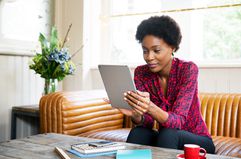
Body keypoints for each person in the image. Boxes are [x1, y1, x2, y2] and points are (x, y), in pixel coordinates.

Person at [120, 15, 215, 153]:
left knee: (169, 133)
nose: (149, 57)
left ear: (172, 47)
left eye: (156, 50)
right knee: (139, 132)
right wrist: (136, 114)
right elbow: (147, 122)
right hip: (167, 138)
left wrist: (149, 107)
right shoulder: (141, 73)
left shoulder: (187, 69)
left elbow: (178, 122)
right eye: (145, 51)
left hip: (197, 141)